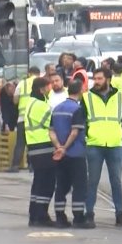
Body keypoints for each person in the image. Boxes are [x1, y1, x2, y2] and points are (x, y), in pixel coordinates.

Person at [83, 67, 122, 227]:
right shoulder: (87, 97)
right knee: (92, 181)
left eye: (99, 79)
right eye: (94, 79)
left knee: (116, 181)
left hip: (115, 143)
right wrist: (87, 134)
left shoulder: (121, 97)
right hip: (94, 144)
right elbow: (82, 120)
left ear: (108, 80)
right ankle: (89, 214)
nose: (96, 82)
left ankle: (119, 214)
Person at [50, 80, 88, 227]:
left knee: (61, 186)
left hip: (60, 156)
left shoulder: (57, 108)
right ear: (80, 91)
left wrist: (58, 147)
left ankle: (60, 217)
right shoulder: (77, 109)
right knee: (79, 186)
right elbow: (74, 131)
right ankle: (78, 218)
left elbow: (51, 131)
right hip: (75, 153)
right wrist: (65, 147)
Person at [24, 77, 55, 225]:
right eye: (48, 87)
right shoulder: (42, 106)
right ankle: (41, 215)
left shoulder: (30, 102)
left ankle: (34, 214)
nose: (50, 90)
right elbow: (52, 125)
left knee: (38, 183)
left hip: (33, 146)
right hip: (44, 147)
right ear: (41, 89)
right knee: (47, 183)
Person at [10, 66, 40, 172]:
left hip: (22, 118)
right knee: (33, 143)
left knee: (20, 143)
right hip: (36, 119)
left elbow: (15, 100)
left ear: (29, 73)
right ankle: (32, 165)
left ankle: (14, 166)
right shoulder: (40, 83)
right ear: (38, 74)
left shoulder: (22, 83)